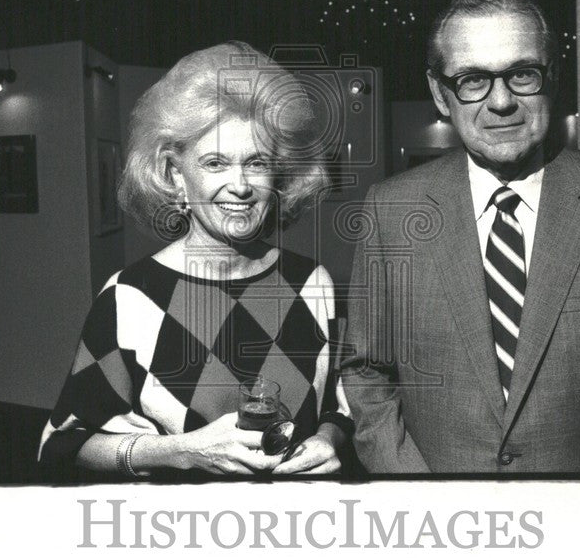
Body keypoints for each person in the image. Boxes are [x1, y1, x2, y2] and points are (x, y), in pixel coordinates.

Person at [340, 0, 580, 473]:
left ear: (551, 77)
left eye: (522, 74)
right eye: (472, 79)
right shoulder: (391, 210)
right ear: (439, 94)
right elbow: (367, 370)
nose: (502, 101)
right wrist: (415, 488)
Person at [39, 41, 352, 479]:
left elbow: (339, 407)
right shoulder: (131, 297)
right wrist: (182, 452)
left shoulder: (313, 282)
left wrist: (326, 440)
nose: (240, 186)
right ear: (174, 174)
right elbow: (63, 445)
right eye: (215, 163)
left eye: (257, 163)